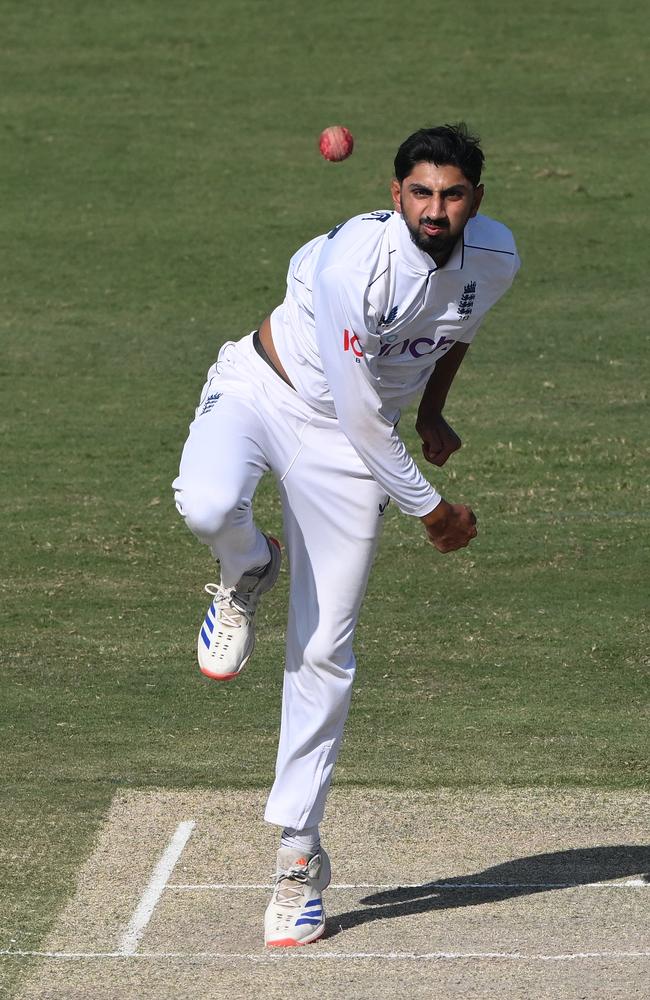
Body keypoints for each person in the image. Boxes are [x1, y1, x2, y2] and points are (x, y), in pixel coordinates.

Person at [172, 123, 520, 947]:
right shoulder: (350, 266)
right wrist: (430, 509)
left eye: (454, 194)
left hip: (349, 451)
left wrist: (433, 407)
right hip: (266, 389)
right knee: (207, 505)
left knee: (325, 646)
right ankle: (247, 565)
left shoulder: (496, 258)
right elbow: (365, 415)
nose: (437, 210)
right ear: (394, 194)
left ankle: (297, 857)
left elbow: (454, 329)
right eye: (422, 194)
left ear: (477, 198)